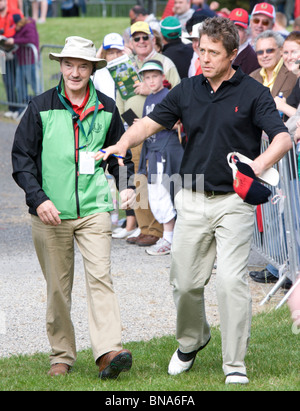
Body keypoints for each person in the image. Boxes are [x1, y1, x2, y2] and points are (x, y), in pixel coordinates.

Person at [95, 16, 292, 384]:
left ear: (233, 54)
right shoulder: (186, 89)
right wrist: (122, 143)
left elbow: (282, 139)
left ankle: (234, 365)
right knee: (184, 282)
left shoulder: (252, 92)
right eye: (201, 50)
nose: (204, 58)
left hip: (234, 201)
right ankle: (192, 340)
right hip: (191, 196)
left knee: (230, 282)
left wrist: (257, 166)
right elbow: (148, 124)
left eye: (213, 53)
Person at [11, 36, 135, 379]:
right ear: (61, 66)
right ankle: (61, 355)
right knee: (57, 287)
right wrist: (39, 200)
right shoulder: (39, 107)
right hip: (50, 213)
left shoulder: (108, 108)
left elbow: (119, 156)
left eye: (83, 65)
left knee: (101, 278)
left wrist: (126, 189)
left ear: (92, 69)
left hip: (95, 209)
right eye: (69, 64)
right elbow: (22, 161)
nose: (75, 72)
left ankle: (108, 351)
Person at [116, 21, 181, 247]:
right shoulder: (126, 65)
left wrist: (151, 87)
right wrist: (133, 127)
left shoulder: (165, 63)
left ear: (154, 39)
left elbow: (177, 93)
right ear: (131, 43)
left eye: (146, 37)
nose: (141, 42)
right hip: (135, 131)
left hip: (161, 135)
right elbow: (121, 100)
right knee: (139, 179)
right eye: (137, 39)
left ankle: (159, 230)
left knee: (159, 183)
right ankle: (145, 227)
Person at [94, 32, 138, 240]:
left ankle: (132, 220)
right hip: (107, 123)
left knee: (127, 169)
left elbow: (131, 99)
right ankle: (113, 216)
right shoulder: (99, 72)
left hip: (127, 122)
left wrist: (132, 123)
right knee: (109, 172)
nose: (112, 56)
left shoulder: (127, 68)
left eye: (116, 51)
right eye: (108, 52)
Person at [137, 59, 183, 255]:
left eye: (155, 76)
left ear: (162, 77)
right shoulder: (149, 99)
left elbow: (178, 124)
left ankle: (169, 238)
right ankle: (169, 238)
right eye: (147, 77)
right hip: (153, 151)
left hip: (166, 151)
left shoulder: (168, 95)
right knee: (155, 194)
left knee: (164, 193)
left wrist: (150, 123)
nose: (151, 80)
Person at [4, 14, 39, 112]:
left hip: (30, 60)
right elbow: (15, 37)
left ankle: (42, 107)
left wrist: (14, 41)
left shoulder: (29, 25)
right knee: (19, 87)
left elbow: (30, 39)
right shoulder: (20, 28)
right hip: (21, 61)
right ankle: (21, 109)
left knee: (35, 86)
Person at [250, 30, 297, 98]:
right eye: (260, 52)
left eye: (269, 51)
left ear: (281, 51)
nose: (265, 55)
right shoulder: (252, 77)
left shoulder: (294, 73)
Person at [0, 0, 23, 118]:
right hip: (2, 54)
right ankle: (11, 107)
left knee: (17, 80)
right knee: (7, 80)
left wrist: (13, 39)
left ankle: (19, 107)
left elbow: (24, 28)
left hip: (15, 52)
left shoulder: (15, 13)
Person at [228, 8, 260, 74]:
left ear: (247, 32)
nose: (234, 32)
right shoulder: (223, 50)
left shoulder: (253, 59)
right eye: (232, 28)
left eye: (239, 29)